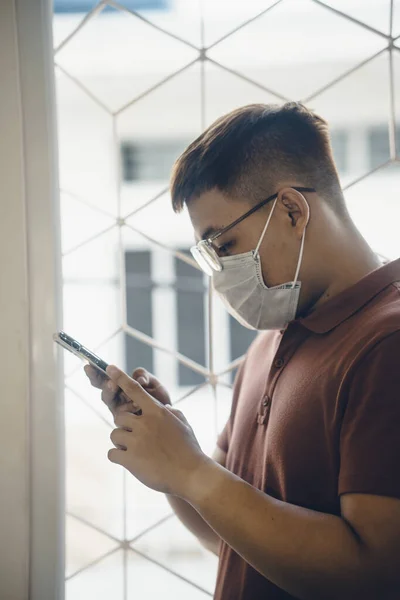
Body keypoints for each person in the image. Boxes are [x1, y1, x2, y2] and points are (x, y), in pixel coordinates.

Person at [85, 102, 400, 599]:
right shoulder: (271, 342)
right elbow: (233, 536)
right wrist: (172, 448)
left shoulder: (387, 343)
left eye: (225, 245)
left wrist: (192, 470)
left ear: (294, 210)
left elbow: (375, 573)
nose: (219, 275)